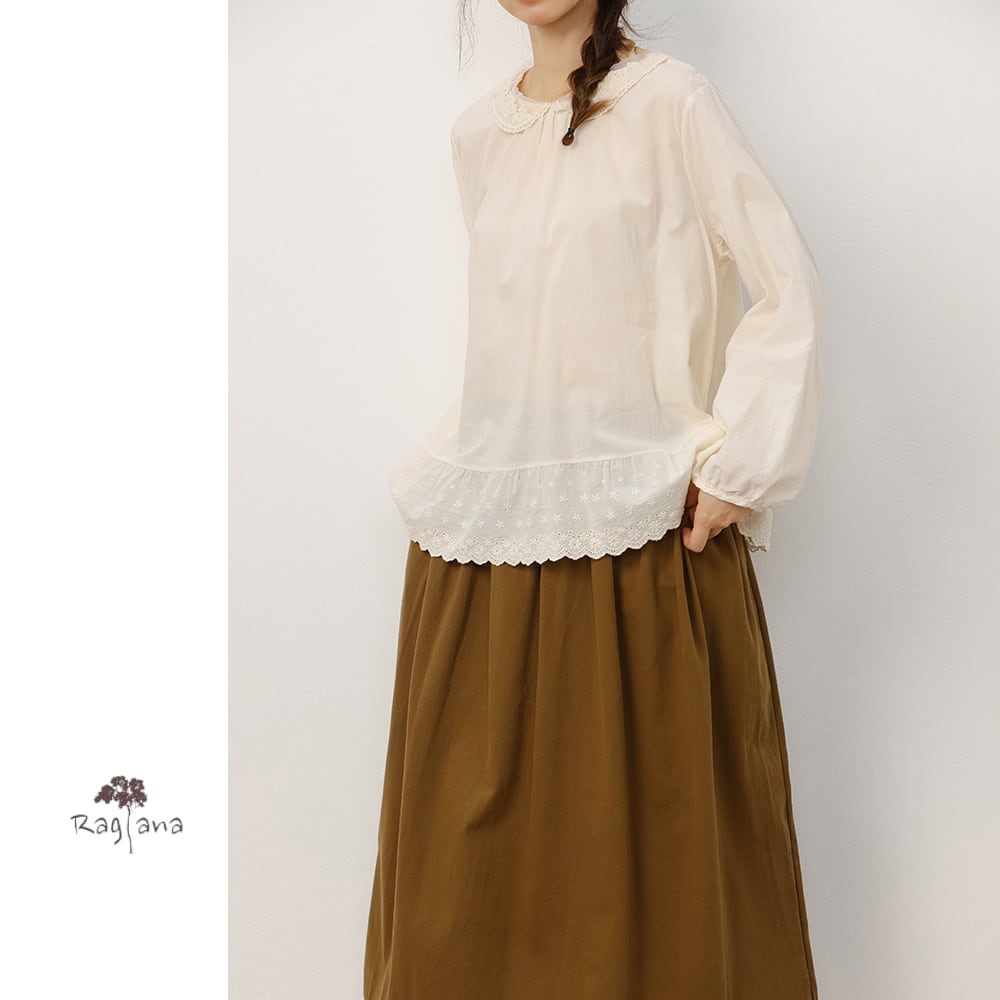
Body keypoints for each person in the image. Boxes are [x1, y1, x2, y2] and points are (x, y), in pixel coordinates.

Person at [364, 2, 825, 998]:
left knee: (660, 883)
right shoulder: (479, 135)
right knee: (462, 897)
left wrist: (738, 468)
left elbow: (786, 285)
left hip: (644, 540)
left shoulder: (673, 103)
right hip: (480, 546)